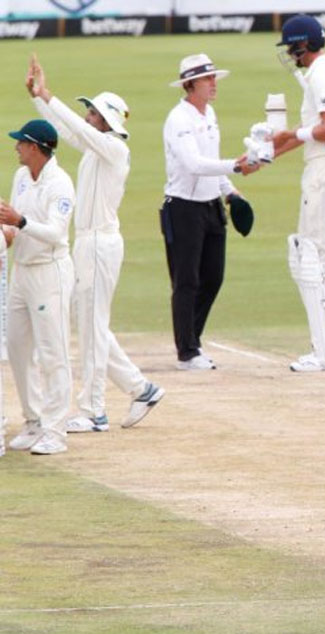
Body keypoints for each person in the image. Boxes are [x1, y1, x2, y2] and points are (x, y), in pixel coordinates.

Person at [26, 55, 164, 432]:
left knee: (92, 326)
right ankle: (141, 388)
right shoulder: (96, 148)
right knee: (91, 324)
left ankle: (93, 411)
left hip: (101, 244)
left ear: (108, 120)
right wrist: (39, 98)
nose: (87, 117)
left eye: (93, 113)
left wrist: (49, 96)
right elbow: (67, 132)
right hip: (88, 244)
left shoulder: (115, 149)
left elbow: (77, 129)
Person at [161, 53, 257, 370]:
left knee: (213, 277)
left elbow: (211, 162)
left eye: (214, 77)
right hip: (183, 207)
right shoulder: (178, 119)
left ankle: (193, 340)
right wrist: (236, 166)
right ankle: (186, 352)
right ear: (190, 84)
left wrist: (230, 191)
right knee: (186, 281)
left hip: (211, 205)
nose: (214, 83)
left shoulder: (209, 113)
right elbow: (193, 164)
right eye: (207, 78)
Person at [271, 14, 325, 372]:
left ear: (302, 45)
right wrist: (270, 152)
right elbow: (314, 129)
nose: (290, 55)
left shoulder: (320, 75)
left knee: (311, 259)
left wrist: (292, 135)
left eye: (292, 48)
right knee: (322, 258)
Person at [0, 119, 75, 455]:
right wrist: (7, 233)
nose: (16, 147)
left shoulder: (60, 184)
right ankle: (33, 421)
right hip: (22, 271)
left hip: (50, 272)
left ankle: (55, 431)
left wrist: (20, 221)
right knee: (17, 347)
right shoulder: (21, 177)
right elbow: (17, 226)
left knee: (52, 352)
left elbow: (56, 233)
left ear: (35, 147)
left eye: (21, 142)